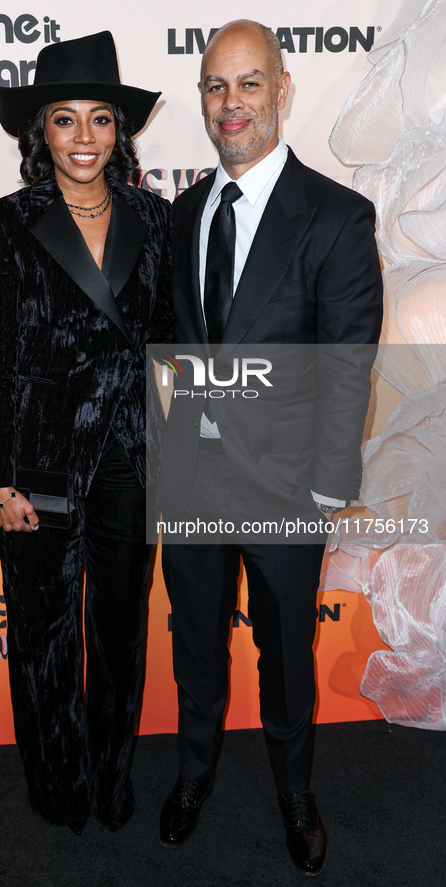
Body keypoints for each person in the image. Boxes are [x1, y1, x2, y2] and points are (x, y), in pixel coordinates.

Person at [158, 20, 383, 875]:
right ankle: (192, 776)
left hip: (289, 489)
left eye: (248, 84)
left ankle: (294, 795)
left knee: (285, 655)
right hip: (193, 485)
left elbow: (348, 366)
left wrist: (328, 489)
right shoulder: (185, 213)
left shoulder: (334, 215)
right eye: (216, 86)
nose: (231, 104)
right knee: (195, 644)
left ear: (281, 91)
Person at [0, 31, 173, 835]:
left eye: (99, 119)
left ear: (119, 130)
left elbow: (170, 344)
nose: (83, 138)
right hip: (39, 458)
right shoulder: (10, 223)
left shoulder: (156, 220)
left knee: (120, 630)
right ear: (39, 132)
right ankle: (57, 782)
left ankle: (111, 774)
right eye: (64, 120)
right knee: (44, 632)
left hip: (132, 458)